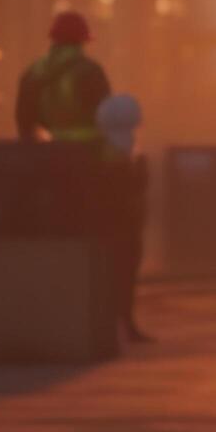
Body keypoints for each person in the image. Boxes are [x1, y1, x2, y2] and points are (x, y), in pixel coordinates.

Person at [96, 93, 153, 345]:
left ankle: (124, 325)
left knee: (123, 276)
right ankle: (123, 326)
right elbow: (128, 190)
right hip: (121, 225)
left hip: (122, 223)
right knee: (122, 277)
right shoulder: (118, 155)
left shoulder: (109, 150)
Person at [16, 11, 111, 143]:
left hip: (46, 155)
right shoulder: (91, 71)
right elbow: (108, 117)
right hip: (85, 155)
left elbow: (24, 122)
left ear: (53, 39)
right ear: (82, 40)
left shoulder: (33, 72)